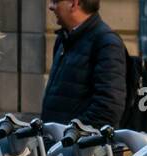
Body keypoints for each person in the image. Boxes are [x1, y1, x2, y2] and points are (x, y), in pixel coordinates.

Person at [41, 0, 126, 130]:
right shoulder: (64, 39)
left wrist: (70, 135)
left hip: (78, 146)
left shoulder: (107, 43)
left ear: (75, 3)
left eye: (56, 1)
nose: (51, 7)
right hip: (56, 144)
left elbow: (108, 108)